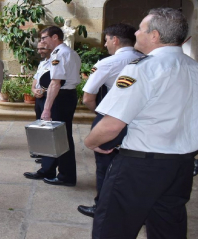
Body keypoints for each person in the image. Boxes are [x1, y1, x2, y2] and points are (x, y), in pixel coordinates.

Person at [85, 8, 198, 238]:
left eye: (140, 28)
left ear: (154, 36)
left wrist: (90, 141)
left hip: (140, 167)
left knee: (112, 227)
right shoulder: (194, 68)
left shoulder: (143, 69)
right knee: (167, 227)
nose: (136, 33)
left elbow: (111, 125)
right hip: (181, 166)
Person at [77, 23, 143, 218]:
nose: (105, 45)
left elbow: (88, 98)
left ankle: (103, 207)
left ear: (114, 40)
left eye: (106, 40)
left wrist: (102, 114)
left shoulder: (108, 62)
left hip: (112, 119)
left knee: (105, 166)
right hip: (140, 122)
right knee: (133, 167)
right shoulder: (145, 60)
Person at [23, 26, 81, 187]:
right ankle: (47, 169)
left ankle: (66, 175)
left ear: (55, 37)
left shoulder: (61, 53)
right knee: (52, 136)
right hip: (62, 96)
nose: (41, 41)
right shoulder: (66, 53)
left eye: (43, 38)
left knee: (61, 137)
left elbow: (56, 83)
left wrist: (47, 109)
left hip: (60, 97)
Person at [30, 41, 53, 164]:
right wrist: (34, 90)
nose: (39, 51)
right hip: (39, 97)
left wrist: (43, 91)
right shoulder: (42, 63)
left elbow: (55, 82)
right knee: (40, 123)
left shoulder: (55, 63)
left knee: (47, 125)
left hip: (47, 97)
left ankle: (48, 154)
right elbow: (36, 79)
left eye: (42, 48)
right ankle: (42, 151)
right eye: (38, 49)